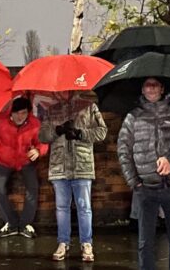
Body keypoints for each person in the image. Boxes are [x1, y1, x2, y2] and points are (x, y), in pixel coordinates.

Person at [117, 77, 170, 270]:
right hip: (145, 187)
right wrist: (134, 181)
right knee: (145, 242)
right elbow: (123, 150)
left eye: (155, 85)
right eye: (147, 84)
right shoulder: (133, 117)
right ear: (142, 90)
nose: (151, 88)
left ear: (162, 88)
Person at [38, 91, 108, 263]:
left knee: (84, 207)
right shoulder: (51, 110)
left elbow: (102, 132)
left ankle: (86, 243)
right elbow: (42, 136)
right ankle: (63, 242)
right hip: (59, 166)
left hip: (81, 166)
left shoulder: (89, 107)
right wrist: (58, 130)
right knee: (62, 208)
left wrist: (80, 133)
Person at [0, 96, 47, 239]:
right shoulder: (0, 120)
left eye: (24, 113)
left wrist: (38, 151)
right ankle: (11, 223)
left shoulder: (34, 123)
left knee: (33, 188)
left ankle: (25, 224)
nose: (20, 116)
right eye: (17, 113)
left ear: (28, 113)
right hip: (4, 161)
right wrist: (0, 151)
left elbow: (43, 140)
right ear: (11, 112)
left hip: (25, 161)